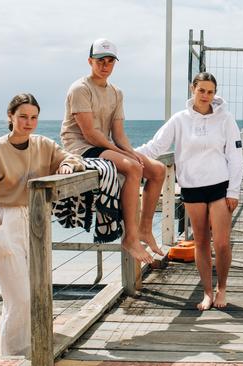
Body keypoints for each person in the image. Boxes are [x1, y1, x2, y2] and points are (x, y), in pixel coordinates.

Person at [0, 93, 84, 356]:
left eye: (33, 117)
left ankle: (34, 350)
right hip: (4, 221)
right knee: (18, 298)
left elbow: (73, 158)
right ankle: (13, 356)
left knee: (36, 291)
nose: (29, 122)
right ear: (10, 117)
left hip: (36, 219)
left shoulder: (42, 144)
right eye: (23, 117)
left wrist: (65, 165)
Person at [136, 72, 243, 310]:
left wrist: (233, 191)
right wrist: (126, 154)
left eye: (210, 91)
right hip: (192, 188)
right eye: (201, 90)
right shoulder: (180, 119)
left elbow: (235, 157)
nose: (206, 96)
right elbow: (156, 147)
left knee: (222, 243)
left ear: (215, 93)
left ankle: (222, 288)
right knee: (202, 241)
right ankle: (207, 292)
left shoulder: (225, 119)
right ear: (192, 89)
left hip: (220, 186)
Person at [60, 38, 166, 264]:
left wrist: (130, 151)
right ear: (90, 61)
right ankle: (130, 237)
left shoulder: (117, 92)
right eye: (100, 60)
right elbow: (89, 134)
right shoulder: (80, 88)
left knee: (156, 169)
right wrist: (126, 156)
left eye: (110, 61)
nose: (105, 65)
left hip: (103, 145)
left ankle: (145, 229)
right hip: (80, 147)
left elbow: (118, 134)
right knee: (132, 168)